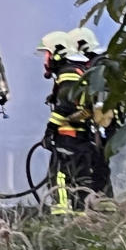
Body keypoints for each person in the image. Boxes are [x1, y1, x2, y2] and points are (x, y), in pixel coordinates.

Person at [38, 31, 91, 216]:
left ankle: (61, 213)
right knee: (81, 178)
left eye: (47, 54)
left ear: (58, 52)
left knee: (60, 175)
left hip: (69, 135)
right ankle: (80, 215)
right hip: (82, 135)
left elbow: (66, 106)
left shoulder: (68, 73)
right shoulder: (78, 69)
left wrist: (50, 130)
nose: (46, 59)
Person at [67, 26, 115, 202]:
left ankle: (98, 203)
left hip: (103, 124)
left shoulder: (98, 67)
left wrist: (74, 118)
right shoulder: (97, 64)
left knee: (98, 165)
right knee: (99, 165)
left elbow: (97, 104)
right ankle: (105, 203)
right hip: (103, 123)